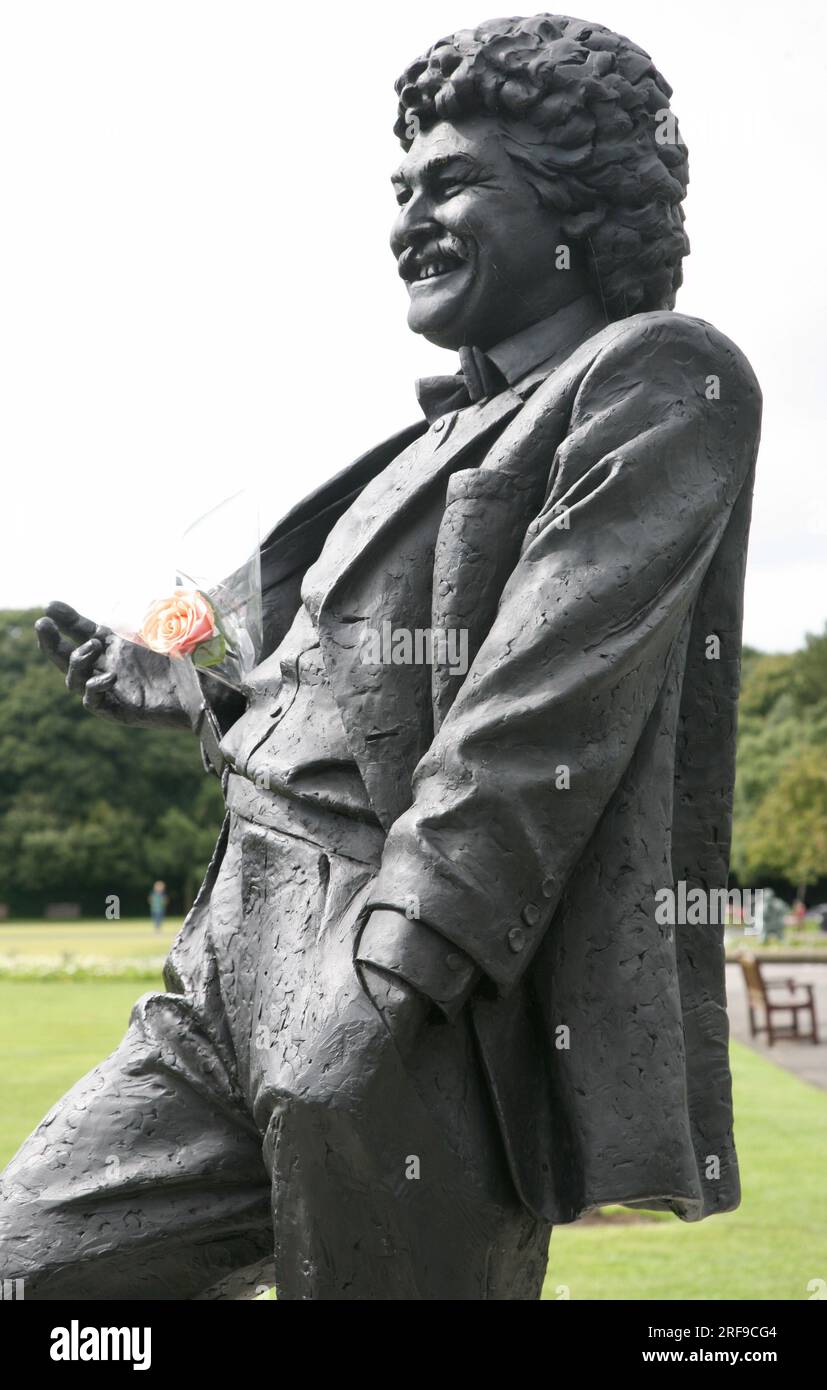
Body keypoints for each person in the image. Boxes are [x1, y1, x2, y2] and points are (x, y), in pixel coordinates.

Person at [2, 14, 761, 1300]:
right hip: (230, 928)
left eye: (455, 181)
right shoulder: (424, 437)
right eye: (399, 189)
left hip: (395, 940)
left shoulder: (654, 377)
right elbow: (307, 660)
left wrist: (401, 958)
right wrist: (180, 677)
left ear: (577, 203)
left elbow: (543, 711)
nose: (408, 216)